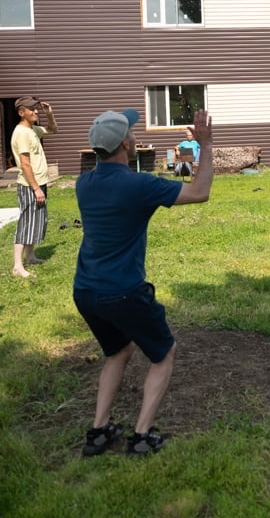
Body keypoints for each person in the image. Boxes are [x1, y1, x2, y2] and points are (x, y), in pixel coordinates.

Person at [73, 107, 214, 457]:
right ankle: (141, 436)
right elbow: (199, 192)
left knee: (117, 351)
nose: (135, 137)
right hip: (122, 291)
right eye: (132, 133)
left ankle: (100, 430)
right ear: (125, 144)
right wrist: (206, 146)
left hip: (86, 290)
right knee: (163, 353)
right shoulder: (139, 184)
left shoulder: (84, 182)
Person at [11, 96, 58, 277]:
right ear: (21, 112)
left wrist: (49, 114)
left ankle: (30, 257)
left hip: (39, 183)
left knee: (35, 222)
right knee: (26, 222)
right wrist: (36, 188)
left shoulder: (32, 130)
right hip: (30, 185)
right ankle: (17, 265)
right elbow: (25, 164)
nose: (35, 111)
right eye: (31, 109)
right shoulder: (21, 133)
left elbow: (53, 130)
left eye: (36, 108)